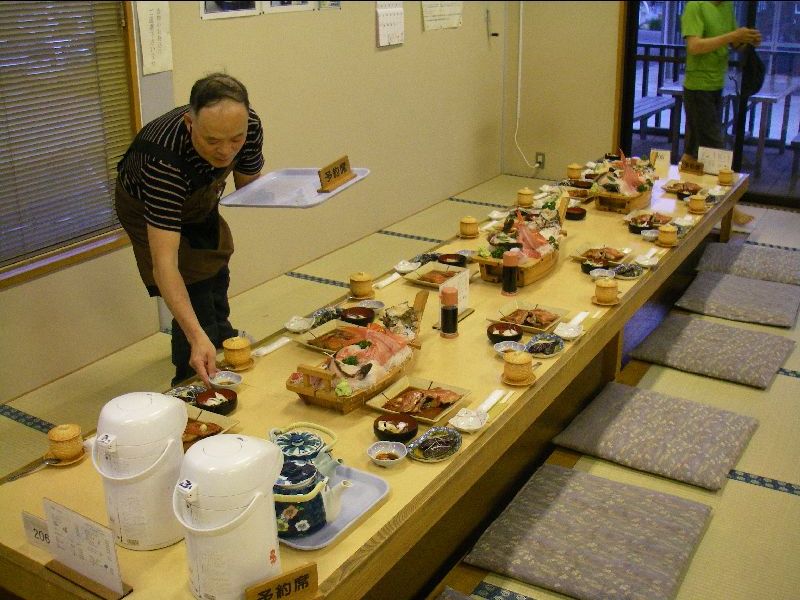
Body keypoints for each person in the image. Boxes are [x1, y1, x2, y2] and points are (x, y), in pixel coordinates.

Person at [115, 73, 263, 387]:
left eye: (235, 139)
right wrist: (197, 336)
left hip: (199, 194)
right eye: (212, 141)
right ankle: (190, 377)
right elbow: (164, 264)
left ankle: (221, 337)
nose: (225, 151)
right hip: (144, 204)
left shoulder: (249, 127)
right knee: (192, 284)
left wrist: (298, 191)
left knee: (216, 264)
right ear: (189, 123)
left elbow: (248, 189)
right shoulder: (163, 160)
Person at [680, 1, 761, 224]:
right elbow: (694, 46)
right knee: (716, 149)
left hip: (716, 86)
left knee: (692, 152)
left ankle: (681, 194)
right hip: (697, 87)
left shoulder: (726, 6)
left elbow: (733, 43)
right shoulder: (695, 6)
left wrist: (745, 40)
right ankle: (729, 210)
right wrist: (732, 35)